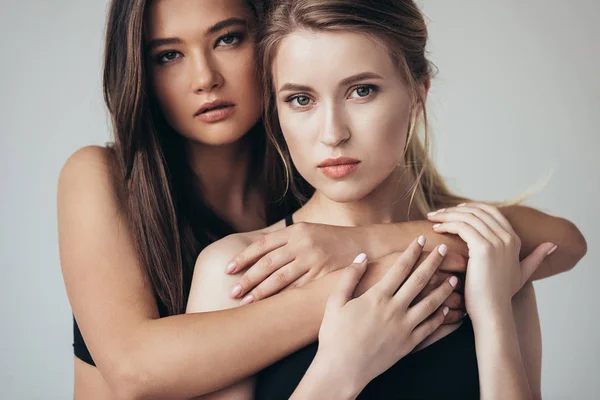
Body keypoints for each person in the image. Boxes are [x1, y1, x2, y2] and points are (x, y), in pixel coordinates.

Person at [58, 0, 586, 398]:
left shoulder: (474, 255)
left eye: (228, 39)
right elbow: (134, 371)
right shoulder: (227, 259)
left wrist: (483, 301)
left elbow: (562, 241)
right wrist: (356, 320)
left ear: (418, 90)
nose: (205, 78)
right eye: (168, 54)